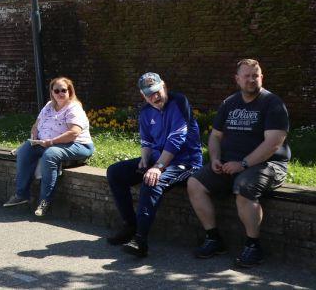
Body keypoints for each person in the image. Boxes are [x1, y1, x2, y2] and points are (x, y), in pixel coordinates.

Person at [187, 58, 289, 267]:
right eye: (247, 76)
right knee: (195, 183)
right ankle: (214, 238)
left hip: (267, 165)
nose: (252, 80)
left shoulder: (273, 103)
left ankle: (253, 246)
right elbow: (215, 137)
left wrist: (242, 164)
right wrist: (215, 158)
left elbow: (273, 143)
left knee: (243, 186)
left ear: (262, 77)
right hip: (230, 163)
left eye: (256, 75)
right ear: (237, 79)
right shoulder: (229, 103)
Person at [106, 73, 203, 257]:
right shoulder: (145, 112)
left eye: (157, 91)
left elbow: (177, 139)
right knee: (115, 172)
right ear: (143, 95)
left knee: (152, 180)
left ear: (164, 86)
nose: (154, 97)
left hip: (186, 162)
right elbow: (147, 141)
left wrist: (157, 167)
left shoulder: (179, 102)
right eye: (149, 94)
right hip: (158, 160)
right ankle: (130, 226)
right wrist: (145, 159)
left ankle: (140, 240)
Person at [3, 76, 94, 217]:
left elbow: (74, 133)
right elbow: (35, 125)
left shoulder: (73, 108)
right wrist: (34, 138)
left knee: (50, 155)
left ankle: (44, 202)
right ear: (52, 92)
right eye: (56, 90)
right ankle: (21, 195)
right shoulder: (48, 106)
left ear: (69, 91)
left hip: (78, 145)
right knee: (26, 150)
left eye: (63, 90)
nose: (60, 93)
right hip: (47, 142)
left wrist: (51, 142)